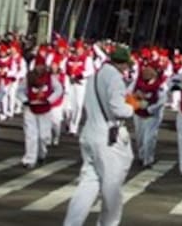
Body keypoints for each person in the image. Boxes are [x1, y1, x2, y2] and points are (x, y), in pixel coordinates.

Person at [62, 44, 136, 226]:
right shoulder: (115, 79)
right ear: (122, 64)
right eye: (126, 65)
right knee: (112, 189)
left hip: (90, 132)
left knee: (88, 183)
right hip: (108, 138)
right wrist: (133, 107)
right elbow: (118, 109)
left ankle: (71, 224)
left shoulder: (95, 76)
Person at [21, 62, 64, 167]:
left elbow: (59, 89)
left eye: (41, 66)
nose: (39, 68)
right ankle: (29, 159)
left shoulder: (50, 78)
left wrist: (49, 100)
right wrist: (25, 100)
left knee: (43, 136)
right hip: (30, 109)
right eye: (37, 65)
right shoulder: (28, 77)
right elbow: (19, 90)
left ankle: (42, 154)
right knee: (31, 135)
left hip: (45, 109)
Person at [130, 59, 167, 167]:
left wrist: (149, 108)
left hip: (152, 116)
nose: (145, 72)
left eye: (149, 70)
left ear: (154, 72)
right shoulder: (137, 82)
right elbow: (128, 94)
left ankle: (148, 159)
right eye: (144, 69)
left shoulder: (160, 85)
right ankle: (142, 156)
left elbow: (161, 101)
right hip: (138, 114)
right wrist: (135, 100)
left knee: (149, 138)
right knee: (140, 138)